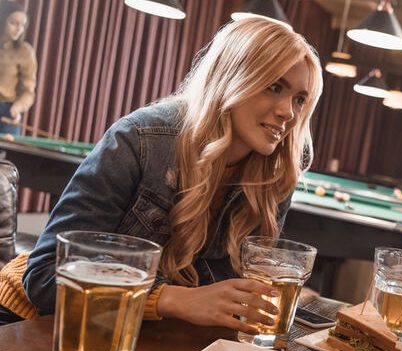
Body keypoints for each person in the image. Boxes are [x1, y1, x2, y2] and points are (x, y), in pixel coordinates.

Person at [0, 18, 323, 329]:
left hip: (139, 336)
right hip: (31, 323)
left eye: (299, 99)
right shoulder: (139, 139)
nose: (288, 112)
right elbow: (44, 278)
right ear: (232, 77)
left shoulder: (274, 174)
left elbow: (227, 297)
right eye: (274, 86)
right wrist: (169, 299)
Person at [0, 1, 36, 136]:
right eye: (13, 23)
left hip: (6, 112)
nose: (18, 29)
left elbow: (28, 92)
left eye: (22, 25)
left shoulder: (25, 52)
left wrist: (17, 108)